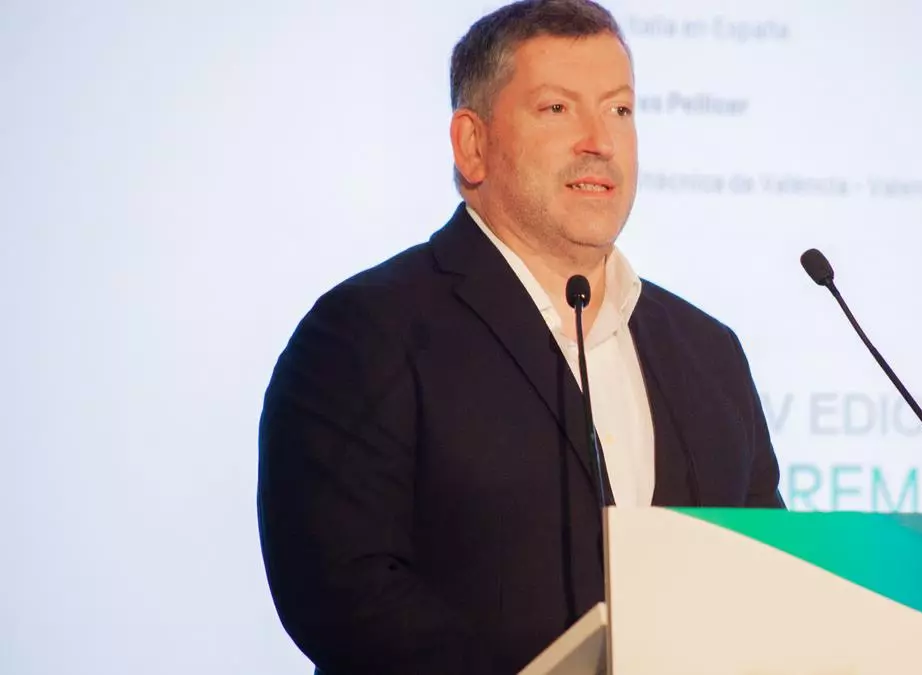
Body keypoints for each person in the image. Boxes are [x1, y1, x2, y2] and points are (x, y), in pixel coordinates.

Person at [256, 1, 785, 673]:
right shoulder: (365, 333)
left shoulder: (708, 352)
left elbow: (766, 581)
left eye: (620, 109)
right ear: (472, 145)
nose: (600, 140)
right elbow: (341, 592)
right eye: (557, 109)